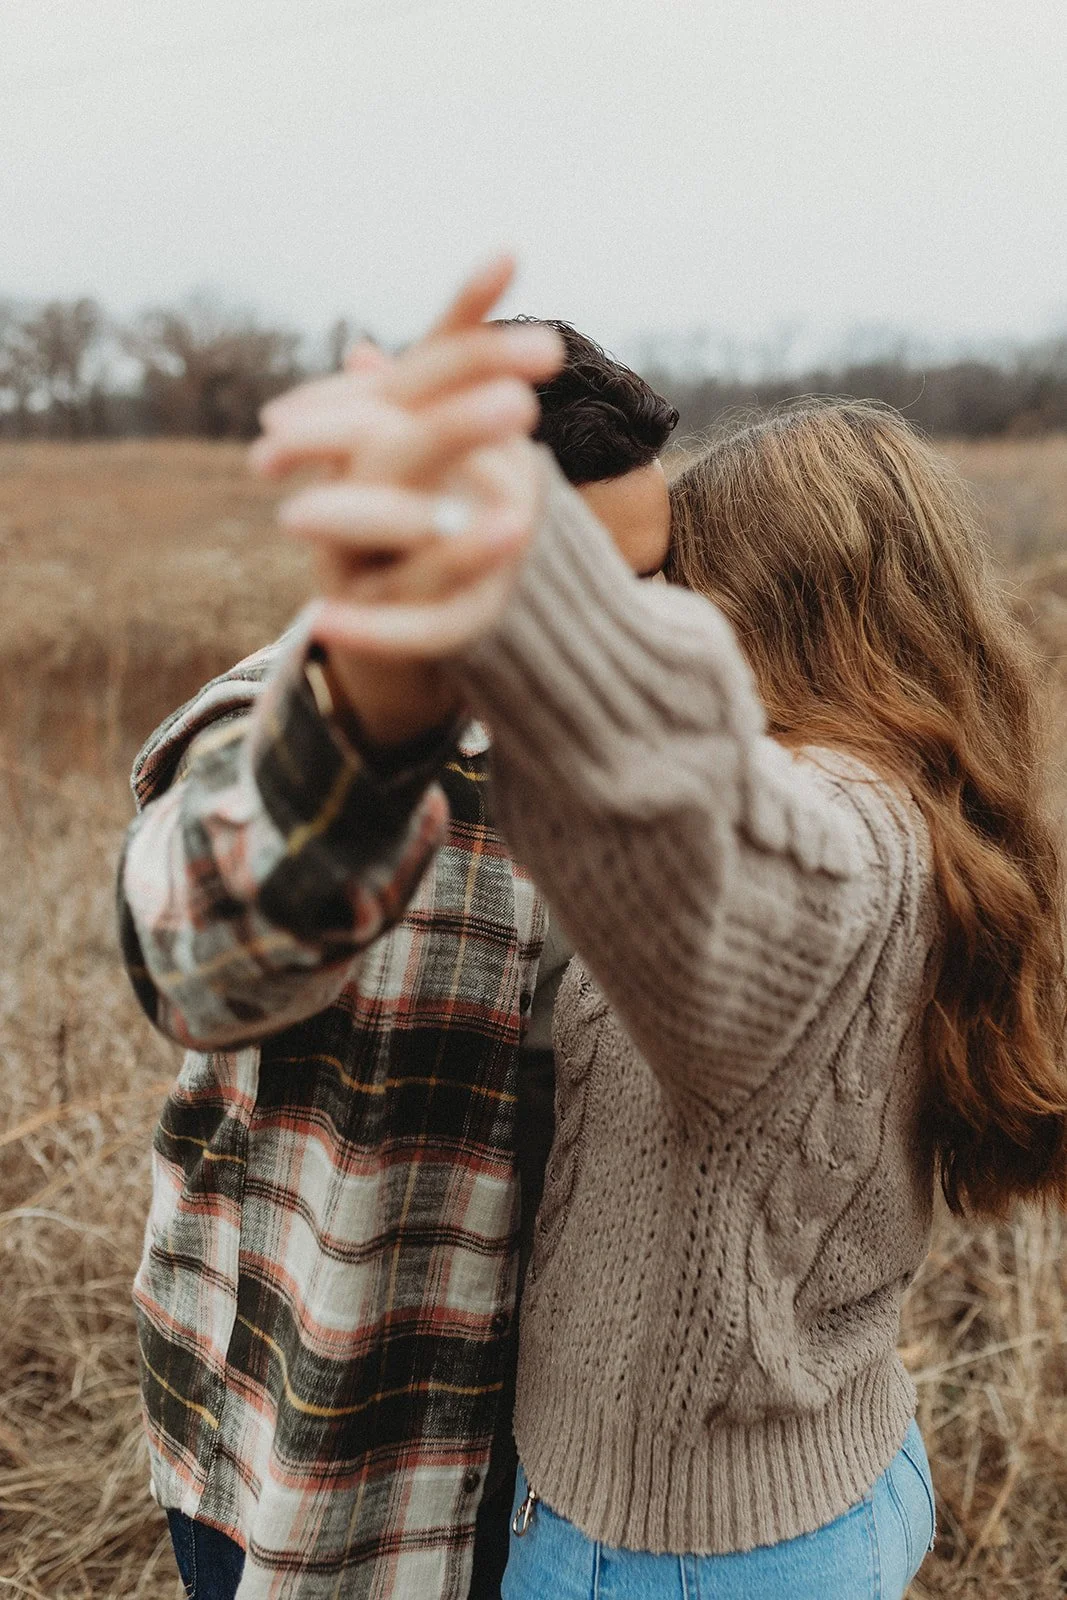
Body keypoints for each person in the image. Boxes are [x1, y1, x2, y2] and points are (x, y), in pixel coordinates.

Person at [243, 259, 1067, 1599]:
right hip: (829, 1469)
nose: (655, 620)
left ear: (769, 605)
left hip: (673, 1546)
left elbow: (703, 909)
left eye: (673, 586)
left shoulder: (830, 823)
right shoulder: (931, 800)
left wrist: (511, 601)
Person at [118, 264, 677, 1600]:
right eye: (570, 595)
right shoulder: (287, 727)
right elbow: (204, 947)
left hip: (569, 1474)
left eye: (655, 585)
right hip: (319, 1459)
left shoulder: (677, 746)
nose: (632, 638)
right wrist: (368, 726)